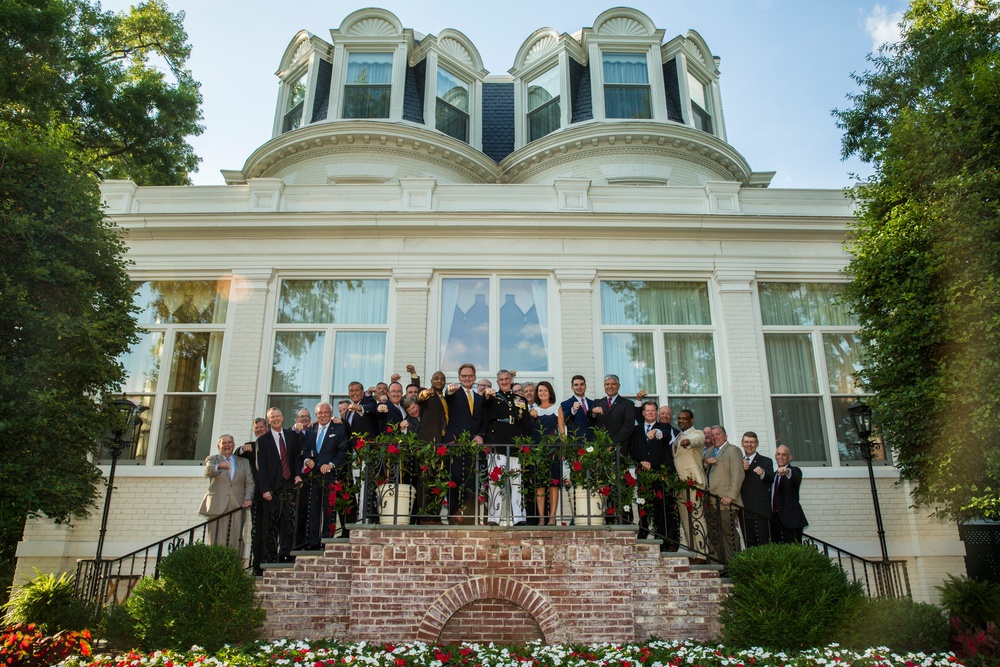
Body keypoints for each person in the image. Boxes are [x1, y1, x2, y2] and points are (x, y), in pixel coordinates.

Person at [482, 369, 534, 525]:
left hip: (515, 442)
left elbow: (526, 423)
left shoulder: (520, 399)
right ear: (497, 382)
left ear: (511, 380)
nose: (504, 382)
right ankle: (493, 517)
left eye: (507, 379)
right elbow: (484, 405)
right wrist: (486, 394)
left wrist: (527, 444)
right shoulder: (492, 397)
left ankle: (518, 517)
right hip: (497, 440)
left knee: (516, 481)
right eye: (501, 380)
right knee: (495, 480)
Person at [629, 401, 679, 550]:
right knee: (642, 505)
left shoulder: (663, 427)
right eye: (647, 410)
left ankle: (662, 538)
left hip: (660, 476)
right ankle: (643, 533)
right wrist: (640, 461)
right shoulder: (636, 430)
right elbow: (633, 450)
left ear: (656, 413)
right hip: (644, 475)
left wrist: (656, 433)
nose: (650, 413)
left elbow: (663, 437)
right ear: (643, 413)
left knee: (661, 509)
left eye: (653, 410)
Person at [255, 407, 303, 562]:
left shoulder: (291, 436)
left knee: (288, 522)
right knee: (272, 524)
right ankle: (270, 556)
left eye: (277, 416)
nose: (275, 419)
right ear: (268, 421)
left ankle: (286, 553)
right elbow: (261, 468)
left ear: (282, 418)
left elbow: (296, 457)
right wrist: (265, 489)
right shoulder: (263, 441)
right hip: (272, 489)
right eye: (272, 417)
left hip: (289, 486)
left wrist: (297, 475)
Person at [300, 402, 350, 546]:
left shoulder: (339, 428)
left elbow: (343, 451)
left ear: (331, 413)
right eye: (320, 413)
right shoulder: (311, 429)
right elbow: (304, 450)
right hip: (313, 476)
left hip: (331, 476)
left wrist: (331, 465)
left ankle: (327, 541)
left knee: (329, 510)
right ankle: (313, 542)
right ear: (316, 415)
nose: (323, 415)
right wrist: (306, 460)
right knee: (313, 509)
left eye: (326, 413)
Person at [444, 363, 486, 523]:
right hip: (455, 444)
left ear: (474, 378)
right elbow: (447, 397)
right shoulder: (453, 394)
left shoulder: (480, 399)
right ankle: (452, 516)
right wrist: (448, 391)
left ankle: (469, 518)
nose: (467, 378)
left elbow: (483, 421)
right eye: (464, 376)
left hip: (473, 446)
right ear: (459, 378)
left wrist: (480, 435)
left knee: (471, 481)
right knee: (454, 479)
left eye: (470, 376)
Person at [199, 434, 255, 549]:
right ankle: (215, 565)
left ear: (233, 445)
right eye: (223, 443)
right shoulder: (213, 459)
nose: (227, 445)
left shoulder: (244, 462)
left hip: (237, 504)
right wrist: (219, 467)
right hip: (217, 504)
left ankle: (235, 565)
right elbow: (208, 470)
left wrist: (248, 498)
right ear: (219, 446)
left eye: (229, 442)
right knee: (215, 540)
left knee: (236, 540)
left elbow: (250, 483)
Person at [671, 409, 708, 560]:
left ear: (691, 420)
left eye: (684, 419)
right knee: (686, 520)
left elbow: (699, 440)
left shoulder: (696, 433)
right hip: (681, 484)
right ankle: (693, 552)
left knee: (696, 516)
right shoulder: (678, 435)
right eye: (679, 418)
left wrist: (689, 441)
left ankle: (702, 554)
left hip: (693, 481)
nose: (681, 421)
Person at [706, 425, 744, 563]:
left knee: (729, 534)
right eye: (713, 435)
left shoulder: (733, 450)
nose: (715, 437)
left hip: (726, 500)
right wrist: (705, 462)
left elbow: (738, 474)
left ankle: (734, 564)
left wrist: (731, 496)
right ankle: (720, 564)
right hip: (711, 500)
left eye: (718, 434)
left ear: (725, 436)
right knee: (714, 534)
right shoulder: (710, 451)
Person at [530, 381, 564, 526]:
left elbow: (562, 430)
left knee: (553, 484)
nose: (542, 393)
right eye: (540, 391)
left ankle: (552, 517)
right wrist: (531, 416)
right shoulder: (533, 410)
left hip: (553, 450)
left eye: (545, 390)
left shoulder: (557, 408)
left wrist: (563, 449)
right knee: (540, 485)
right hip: (538, 451)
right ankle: (541, 517)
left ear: (550, 392)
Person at [738, 431, 773, 547]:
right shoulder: (737, 462)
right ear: (742, 443)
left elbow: (770, 478)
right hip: (743, 510)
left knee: (762, 543)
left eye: (752, 442)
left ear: (757, 443)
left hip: (759, 511)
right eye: (746, 442)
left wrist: (762, 472)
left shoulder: (766, 461)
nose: (749, 445)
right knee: (749, 543)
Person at [771, 445, 808, 543]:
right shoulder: (774, 475)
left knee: (793, 551)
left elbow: (794, 476)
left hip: (791, 520)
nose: (780, 457)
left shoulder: (795, 471)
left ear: (789, 457)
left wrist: (787, 471)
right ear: (775, 456)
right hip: (775, 520)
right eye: (778, 454)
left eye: (784, 454)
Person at [588, 374, 635, 451]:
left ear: (619, 386)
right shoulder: (597, 402)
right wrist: (593, 412)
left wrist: (613, 443)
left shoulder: (627, 404)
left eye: (613, 384)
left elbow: (628, 426)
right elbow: (589, 418)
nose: (610, 386)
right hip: (599, 446)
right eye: (607, 384)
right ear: (604, 386)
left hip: (619, 447)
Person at [561, 375, 593, 442]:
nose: (579, 387)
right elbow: (566, 421)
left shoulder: (593, 403)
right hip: (576, 443)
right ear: (572, 387)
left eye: (582, 384)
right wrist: (573, 410)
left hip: (593, 443)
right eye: (576, 385)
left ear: (585, 386)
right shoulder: (565, 404)